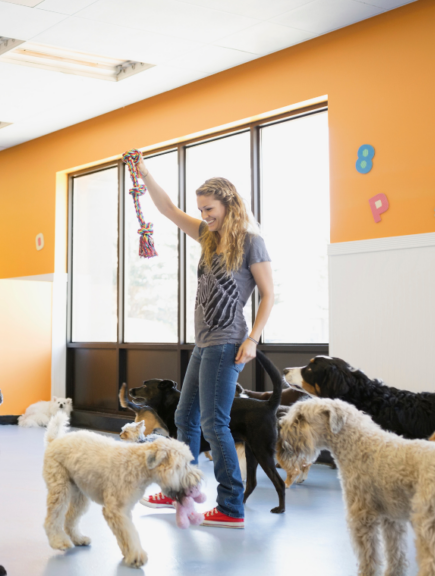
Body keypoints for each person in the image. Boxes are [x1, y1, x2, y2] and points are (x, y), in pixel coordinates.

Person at [133, 154, 274, 529]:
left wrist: (254, 339)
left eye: (209, 208)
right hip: (203, 343)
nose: (204, 214)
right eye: (201, 209)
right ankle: (181, 489)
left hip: (227, 342)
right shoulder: (207, 236)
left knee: (215, 425)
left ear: (228, 204)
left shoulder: (251, 243)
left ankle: (230, 506)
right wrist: (144, 173)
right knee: (185, 417)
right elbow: (168, 209)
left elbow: (269, 294)